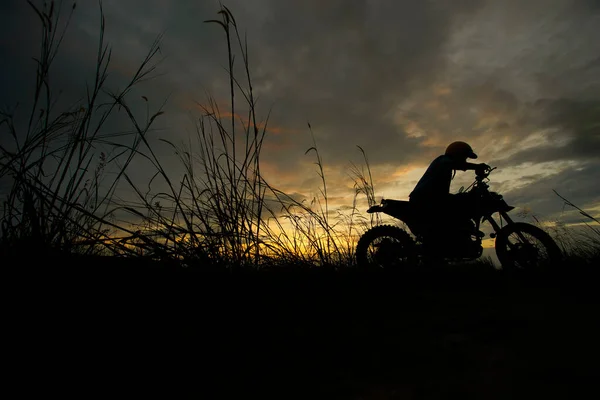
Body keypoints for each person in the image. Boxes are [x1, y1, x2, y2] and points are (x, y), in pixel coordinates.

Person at [409, 141, 489, 244]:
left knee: (461, 200)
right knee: (460, 203)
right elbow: (456, 164)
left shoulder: (446, 164)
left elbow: (458, 165)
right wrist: (476, 166)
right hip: (425, 199)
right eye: (464, 157)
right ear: (457, 153)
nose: (465, 160)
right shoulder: (443, 160)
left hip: (432, 198)